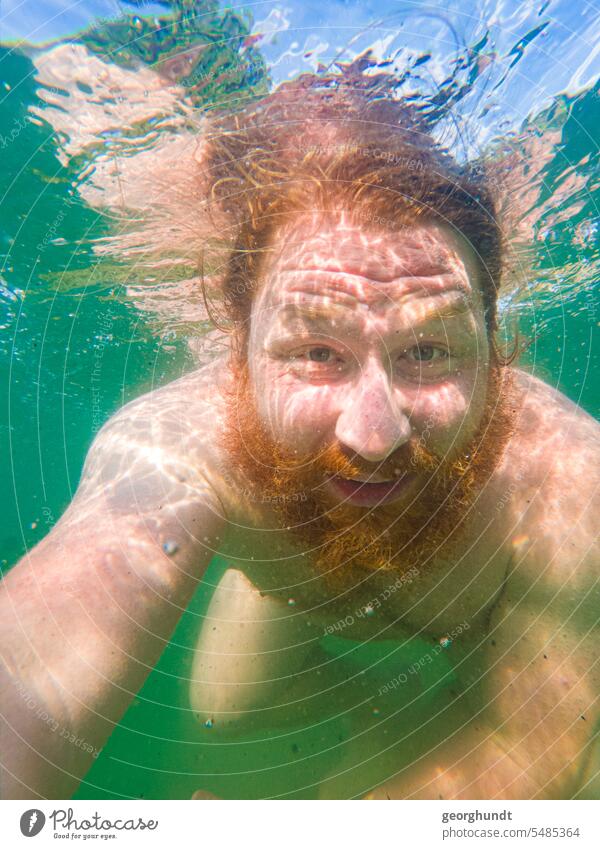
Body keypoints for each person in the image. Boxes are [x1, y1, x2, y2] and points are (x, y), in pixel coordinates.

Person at [1, 73, 598, 801]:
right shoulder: (174, 445)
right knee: (227, 707)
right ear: (238, 350)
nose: (374, 434)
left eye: (430, 350)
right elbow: (32, 671)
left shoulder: (571, 478)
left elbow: (535, 746)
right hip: (294, 599)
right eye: (316, 351)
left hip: (494, 630)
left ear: (495, 347)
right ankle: (403, 715)